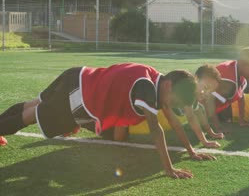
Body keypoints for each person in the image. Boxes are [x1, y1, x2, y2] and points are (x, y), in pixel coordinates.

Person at [0, 63, 215, 179]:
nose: (170, 104)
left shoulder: (158, 81)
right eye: (174, 99)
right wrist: (169, 169)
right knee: (30, 115)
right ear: (169, 86)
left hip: (78, 75)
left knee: (32, 105)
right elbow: (156, 129)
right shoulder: (148, 88)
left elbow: (175, 123)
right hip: (80, 95)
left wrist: (192, 151)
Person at [128, 64, 224, 148]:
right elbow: (190, 117)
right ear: (196, 79)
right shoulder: (185, 91)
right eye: (206, 87)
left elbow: (198, 113)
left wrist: (210, 133)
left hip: (160, 118)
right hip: (145, 119)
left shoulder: (193, 96)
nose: (206, 93)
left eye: (209, 91)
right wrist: (204, 142)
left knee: (200, 108)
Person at [204, 47, 249, 134]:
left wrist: (241, 120)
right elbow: (209, 98)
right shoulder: (228, 80)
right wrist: (218, 128)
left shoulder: (239, 74)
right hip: (198, 109)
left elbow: (241, 97)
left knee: (226, 107)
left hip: (209, 108)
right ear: (242, 64)